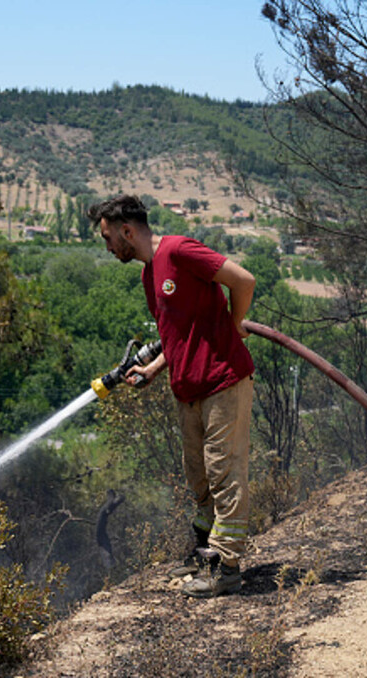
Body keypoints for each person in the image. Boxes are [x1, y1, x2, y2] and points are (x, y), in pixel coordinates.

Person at [87, 195, 256, 598]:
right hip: (188, 390)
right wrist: (153, 369)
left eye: (108, 238)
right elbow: (175, 336)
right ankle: (204, 553)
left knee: (224, 474)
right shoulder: (150, 276)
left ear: (127, 231)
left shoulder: (179, 251)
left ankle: (227, 568)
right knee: (199, 477)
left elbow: (243, 281)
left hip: (222, 382)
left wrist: (234, 325)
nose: (108, 248)